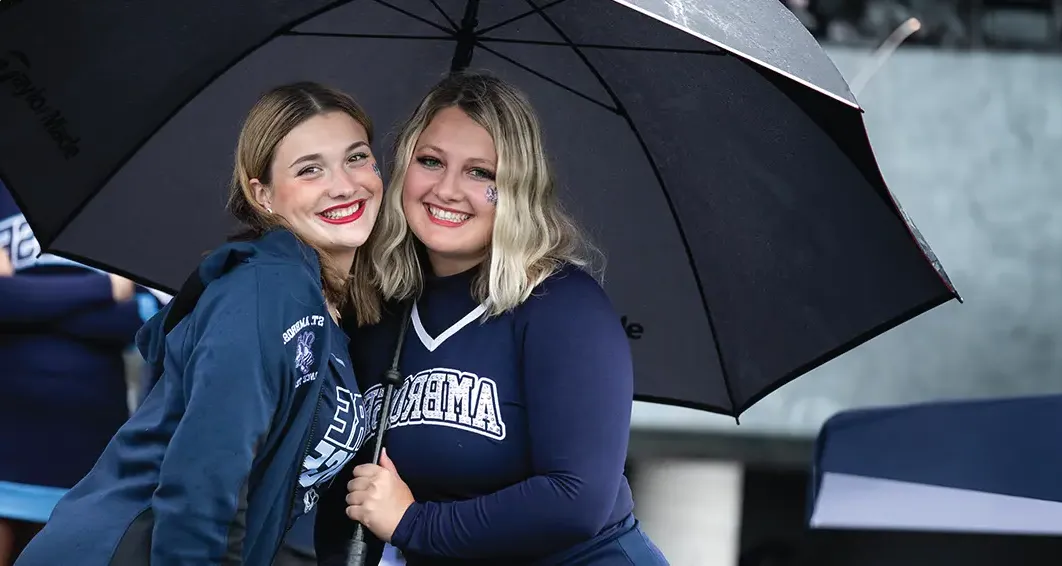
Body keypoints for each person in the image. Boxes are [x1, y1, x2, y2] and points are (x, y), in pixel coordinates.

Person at [14, 80, 384, 566]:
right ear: (263, 195)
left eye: (356, 157)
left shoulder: (327, 306)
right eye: (310, 169)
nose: (344, 184)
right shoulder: (266, 291)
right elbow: (205, 479)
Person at [316, 71, 670, 565]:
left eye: (480, 173)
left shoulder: (564, 305)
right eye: (431, 161)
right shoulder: (376, 311)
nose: (447, 189)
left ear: (517, 188)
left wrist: (413, 523)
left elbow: (577, 499)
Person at [0, 180, 158, 566]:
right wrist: (107, 287)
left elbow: (139, 324)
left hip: (88, 449)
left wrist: (27, 305)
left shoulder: (119, 197)